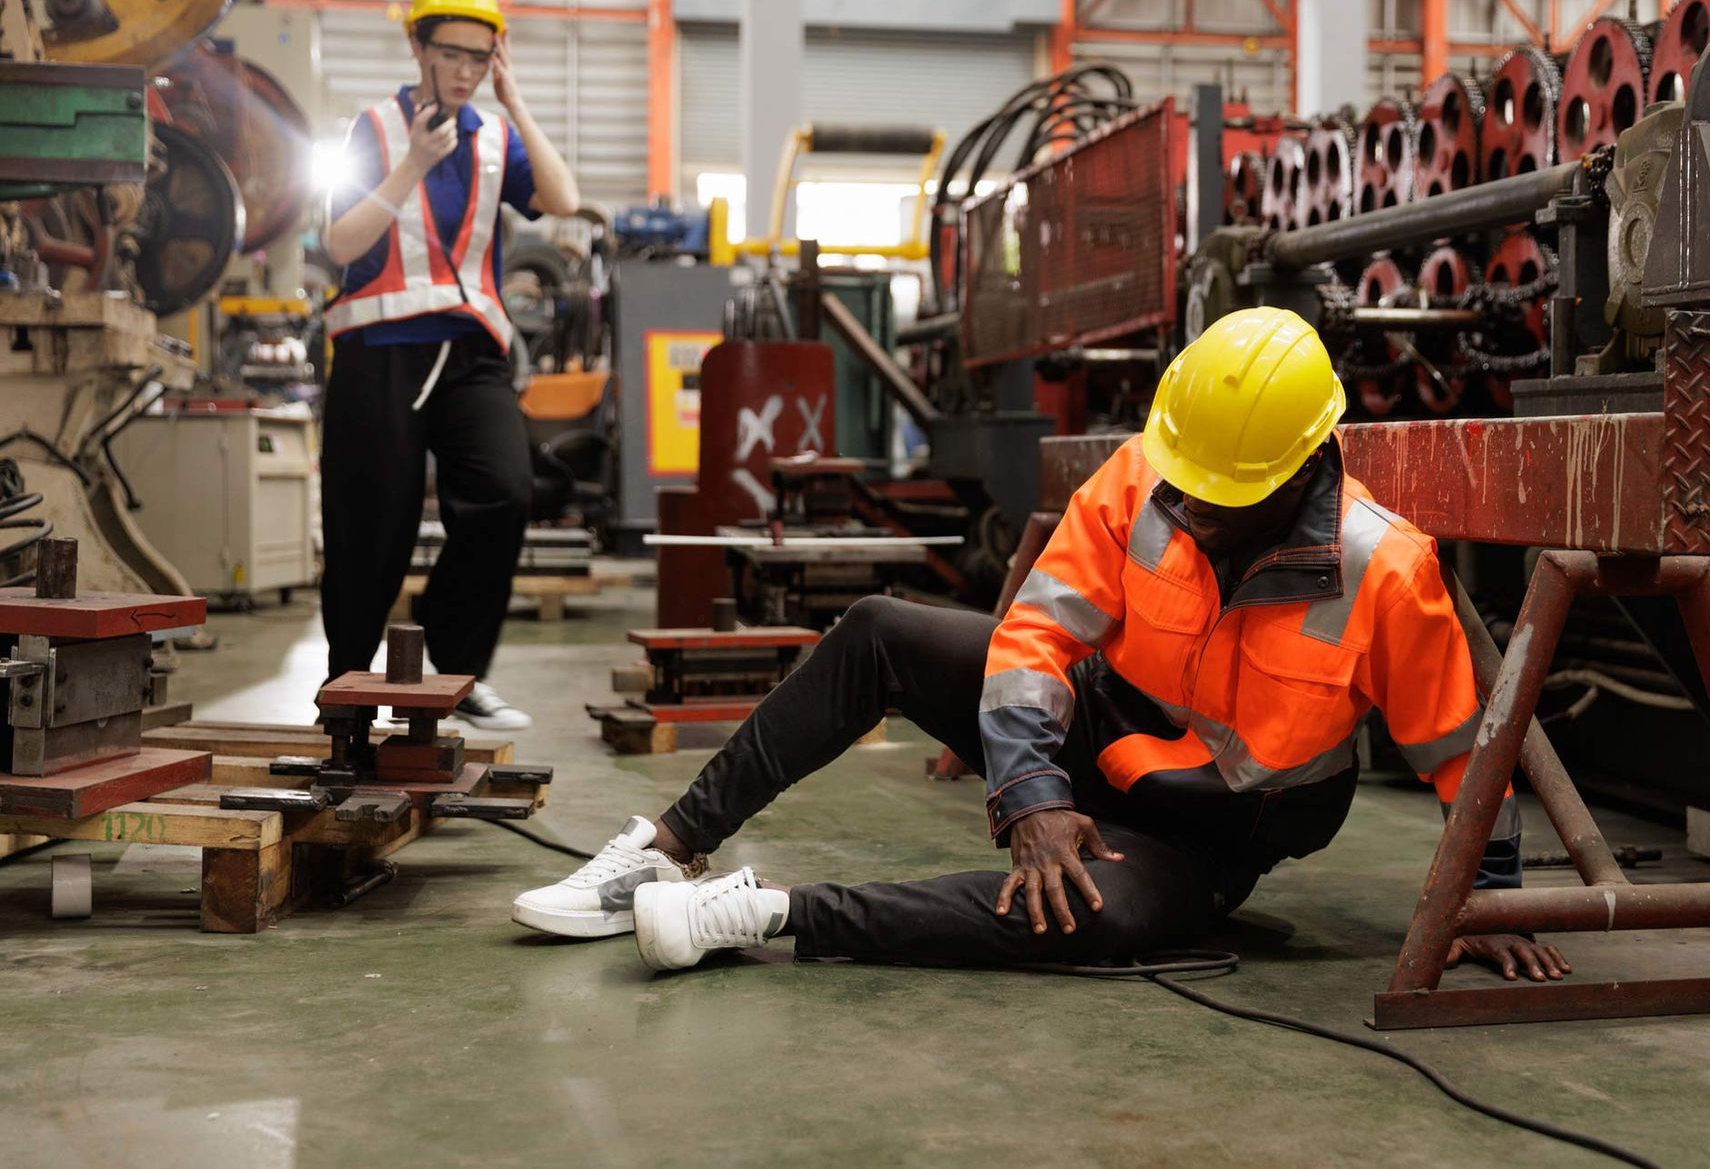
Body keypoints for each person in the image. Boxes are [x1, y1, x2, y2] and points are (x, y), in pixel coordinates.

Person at [513, 308, 1569, 985]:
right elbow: (1037, 632)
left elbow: (1459, 753)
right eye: (1182, 482)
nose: (1186, 509)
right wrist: (1030, 789)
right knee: (884, 629)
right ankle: (665, 848)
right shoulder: (1147, 476)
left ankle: (754, 915)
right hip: (1100, 735)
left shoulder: (1385, 569)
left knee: (1098, 917)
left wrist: (1491, 898)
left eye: (1218, 498)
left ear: (1298, 475)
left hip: (1218, 825)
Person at [321, 0, 579, 730]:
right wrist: (412, 166)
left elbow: (563, 201)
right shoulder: (369, 130)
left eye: (481, 55)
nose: (465, 70)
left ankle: (453, 668)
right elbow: (340, 243)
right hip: (381, 350)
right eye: (452, 53)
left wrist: (517, 101)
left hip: (471, 352)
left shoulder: (496, 136)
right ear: (418, 46)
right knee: (371, 526)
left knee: (506, 491)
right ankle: (347, 693)